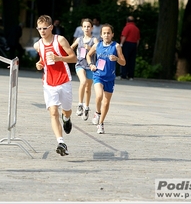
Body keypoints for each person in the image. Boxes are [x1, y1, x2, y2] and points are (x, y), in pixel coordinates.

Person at [34, 15, 77, 156]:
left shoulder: (60, 40)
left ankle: (67, 118)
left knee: (67, 110)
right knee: (53, 112)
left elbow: (74, 57)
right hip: (49, 83)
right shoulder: (38, 44)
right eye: (39, 28)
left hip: (64, 80)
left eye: (44, 28)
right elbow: (42, 60)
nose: (42, 31)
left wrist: (59, 58)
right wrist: (39, 64)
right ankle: (61, 142)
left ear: (51, 27)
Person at [86, 23, 126, 134]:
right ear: (101, 35)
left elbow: (123, 62)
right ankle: (97, 112)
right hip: (98, 75)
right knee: (99, 96)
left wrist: (117, 59)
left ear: (112, 34)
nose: (106, 35)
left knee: (106, 102)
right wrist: (91, 65)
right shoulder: (97, 45)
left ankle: (101, 124)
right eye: (104, 33)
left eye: (108, 33)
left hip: (110, 78)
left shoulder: (116, 46)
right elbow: (88, 55)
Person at [70, 18, 98, 121]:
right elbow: (71, 48)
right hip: (80, 64)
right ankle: (80, 104)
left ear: (92, 28)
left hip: (90, 65)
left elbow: (98, 51)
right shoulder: (79, 39)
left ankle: (86, 107)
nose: (86, 28)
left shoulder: (94, 40)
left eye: (88, 26)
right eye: (84, 26)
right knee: (83, 81)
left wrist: (89, 48)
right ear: (81, 28)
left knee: (88, 88)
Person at [119, 16, 140, 80]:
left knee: (124, 59)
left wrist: (121, 44)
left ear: (127, 21)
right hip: (134, 44)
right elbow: (138, 39)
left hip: (127, 44)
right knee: (132, 60)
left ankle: (123, 75)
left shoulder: (127, 27)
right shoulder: (136, 29)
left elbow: (124, 36)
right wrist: (136, 46)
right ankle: (131, 76)